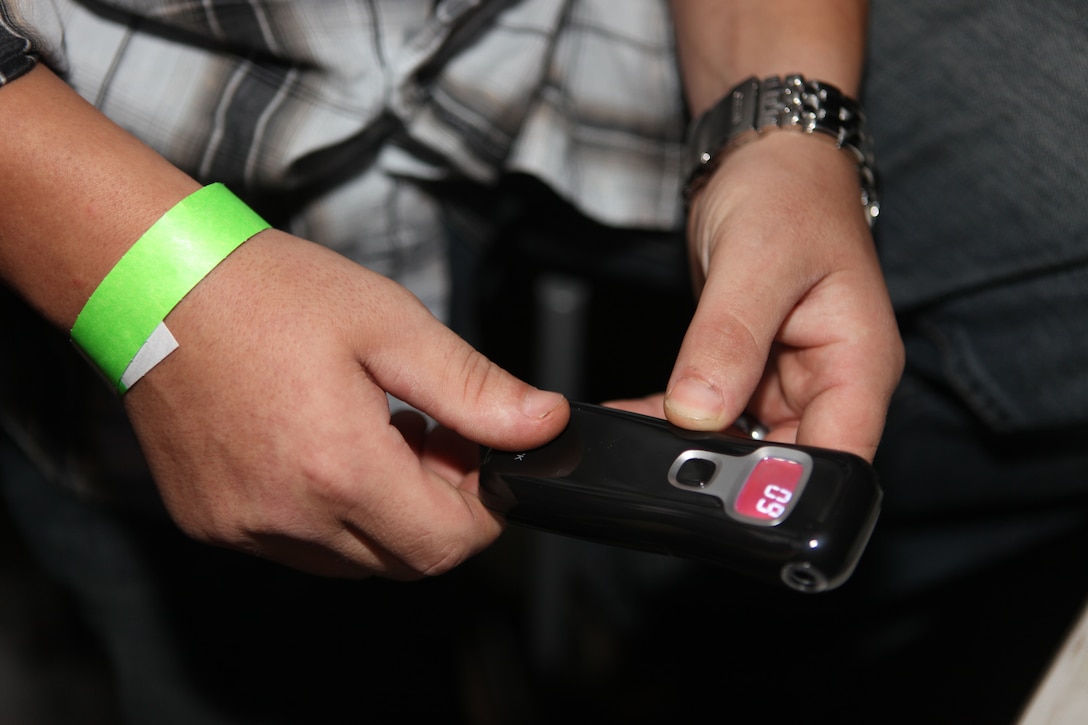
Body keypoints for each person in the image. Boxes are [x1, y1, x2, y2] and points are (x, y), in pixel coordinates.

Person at [0, 0, 903, 721]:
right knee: (275, 646)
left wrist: (789, 129)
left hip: (552, 36)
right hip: (113, 134)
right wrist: (145, 284)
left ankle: (615, 609)